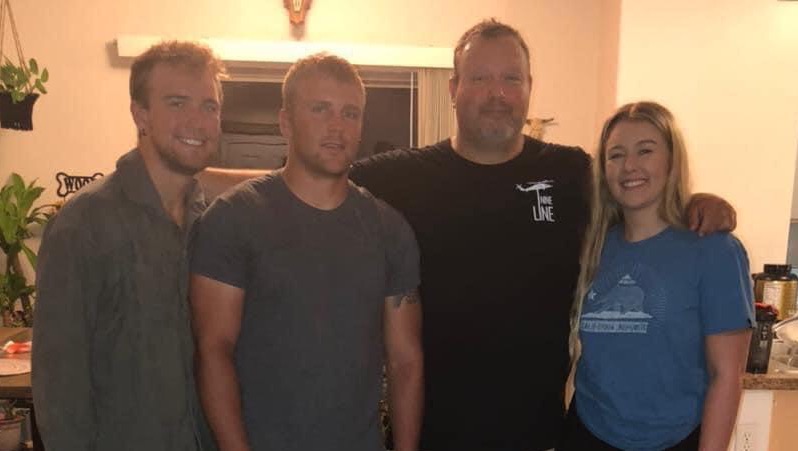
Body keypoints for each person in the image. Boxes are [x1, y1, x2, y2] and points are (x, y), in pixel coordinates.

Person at [197, 19, 735, 451]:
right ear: (453, 89)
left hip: (541, 437)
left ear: (529, 89)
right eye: (479, 78)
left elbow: (636, 190)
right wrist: (192, 184)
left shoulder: (572, 173)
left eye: (511, 79)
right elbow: (306, 178)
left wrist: (699, 203)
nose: (497, 93)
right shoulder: (403, 177)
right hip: (434, 435)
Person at [189, 53, 423, 451]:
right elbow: (214, 351)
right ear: (286, 122)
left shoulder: (389, 229)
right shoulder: (233, 220)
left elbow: (405, 361)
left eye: (350, 113)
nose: (337, 126)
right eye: (320, 109)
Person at [32, 41, 225, 450]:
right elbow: (58, 387)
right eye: (177, 103)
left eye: (209, 106)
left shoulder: (211, 223)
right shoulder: (84, 225)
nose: (198, 121)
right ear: (141, 115)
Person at [560, 101, 753, 451]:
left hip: (674, 438)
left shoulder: (714, 250)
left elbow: (726, 376)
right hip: (588, 432)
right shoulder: (594, 245)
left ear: (672, 160)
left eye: (645, 150)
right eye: (616, 155)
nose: (629, 166)